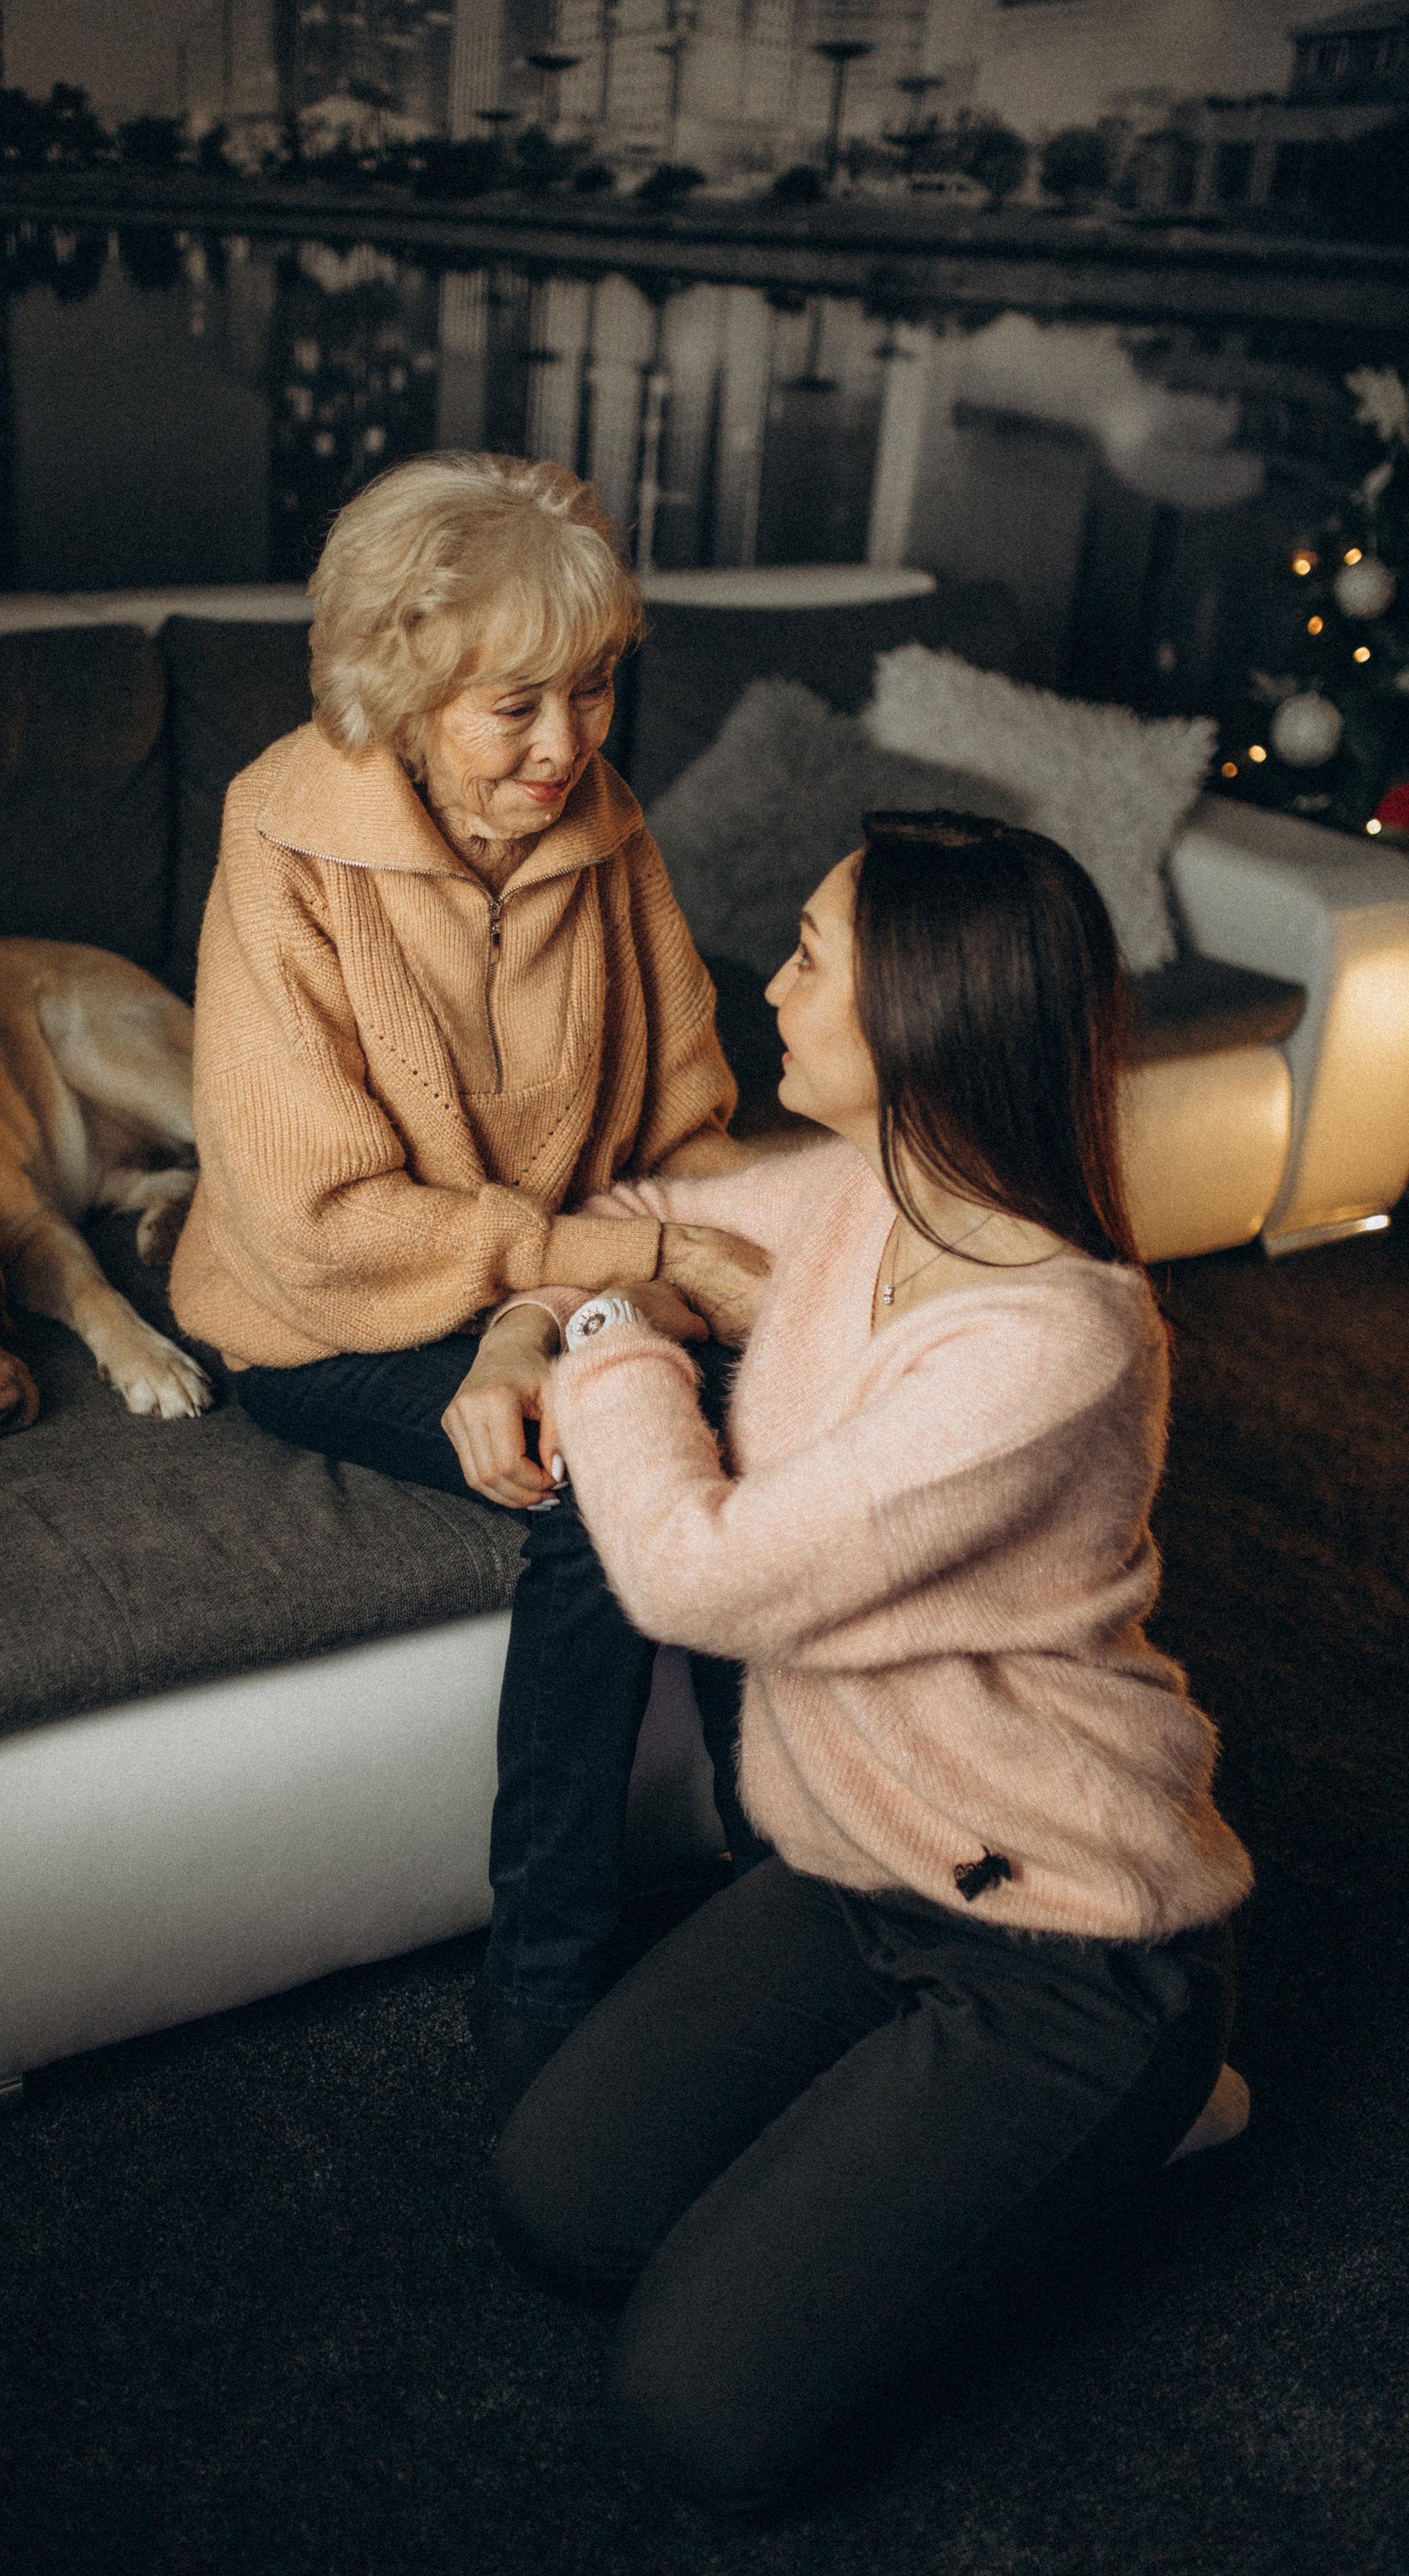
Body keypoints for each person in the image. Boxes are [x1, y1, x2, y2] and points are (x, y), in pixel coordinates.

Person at [486, 809, 1256, 2512]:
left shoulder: (1048, 1337)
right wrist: (517, 1326)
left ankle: (1146, 2105)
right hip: (854, 1870)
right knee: (558, 2205)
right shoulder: (853, 1195)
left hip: (1060, 1936)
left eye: (813, 953)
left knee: (697, 2419)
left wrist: (602, 1338)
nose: (773, 979)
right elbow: (627, 1212)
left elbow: (693, 1577)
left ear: (916, 1006)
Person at [169, 452, 772, 2100]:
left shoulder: (601, 821)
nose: (563, 747)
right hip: (319, 1318)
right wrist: (624, 1265)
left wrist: (696, 1273)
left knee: (753, 1415)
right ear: (401, 686)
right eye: (512, 706)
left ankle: (808, 1896)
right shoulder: (280, 838)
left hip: (538, 1283)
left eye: (589, 694)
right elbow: (320, 1223)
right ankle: (547, 1983)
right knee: (608, 1478)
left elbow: (686, 1121)